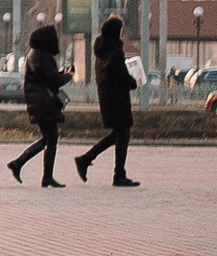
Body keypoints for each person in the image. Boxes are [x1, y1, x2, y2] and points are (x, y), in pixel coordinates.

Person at [77, 14, 141, 187]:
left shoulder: (101, 48)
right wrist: (132, 82)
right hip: (117, 97)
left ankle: (85, 159)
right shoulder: (114, 50)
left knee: (118, 134)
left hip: (107, 96)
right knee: (123, 133)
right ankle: (118, 174)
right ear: (116, 32)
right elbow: (119, 72)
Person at [11, 23, 71, 186]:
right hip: (44, 102)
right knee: (51, 138)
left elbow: (44, 77)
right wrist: (68, 76)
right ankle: (42, 174)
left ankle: (21, 164)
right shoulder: (42, 56)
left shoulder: (35, 54)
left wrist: (60, 73)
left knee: (48, 138)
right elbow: (53, 81)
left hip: (40, 101)